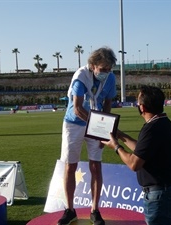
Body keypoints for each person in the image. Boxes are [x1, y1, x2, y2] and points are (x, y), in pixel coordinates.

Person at [102, 85, 171, 225]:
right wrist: (121, 135)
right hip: (169, 190)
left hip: (160, 194)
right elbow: (143, 151)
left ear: (143, 107)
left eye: (138, 102)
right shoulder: (162, 122)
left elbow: (134, 163)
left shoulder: (152, 128)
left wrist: (116, 147)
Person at [58, 47, 117, 225]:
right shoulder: (81, 76)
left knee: (96, 166)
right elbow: (77, 108)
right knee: (70, 166)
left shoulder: (110, 78)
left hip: (96, 122)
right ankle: (69, 210)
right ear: (92, 65)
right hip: (74, 123)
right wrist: (98, 129)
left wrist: (105, 130)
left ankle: (95, 210)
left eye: (109, 69)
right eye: (102, 68)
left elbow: (108, 103)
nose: (106, 72)